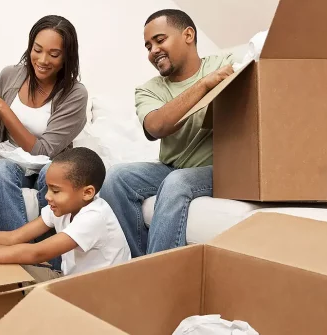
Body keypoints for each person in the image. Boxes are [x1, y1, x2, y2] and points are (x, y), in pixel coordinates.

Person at [100, 9, 234, 257]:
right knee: (115, 178)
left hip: (220, 169)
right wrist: (203, 84)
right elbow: (156, 127)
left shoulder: (225, 64)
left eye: (160, 40)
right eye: (148, 46)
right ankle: (142, 266)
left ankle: (155, 278)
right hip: (172, 166)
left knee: (177, 182)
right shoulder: (149, 90)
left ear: (188, 35)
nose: (153, 51)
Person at [0, 15, 88, 270]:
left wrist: (2, 107)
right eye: (37, 50)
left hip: (51, 163)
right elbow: (4, 124)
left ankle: (49, 267)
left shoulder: (75, 94)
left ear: (67, 58)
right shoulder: (10, 75)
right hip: (11, 160)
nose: (42, 60)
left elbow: (43, 150)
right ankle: (14, 266)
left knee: (50, 177)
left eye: (54, 54)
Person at [0, 148, 131, 283]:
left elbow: (37, 253)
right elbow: (14, 237)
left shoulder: (95, 216)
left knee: (2, 270)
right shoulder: (62, 208)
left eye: (55, 191)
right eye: (47, 189)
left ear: (87, 192)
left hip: (98, 297)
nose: (47, 196)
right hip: (71, 281)